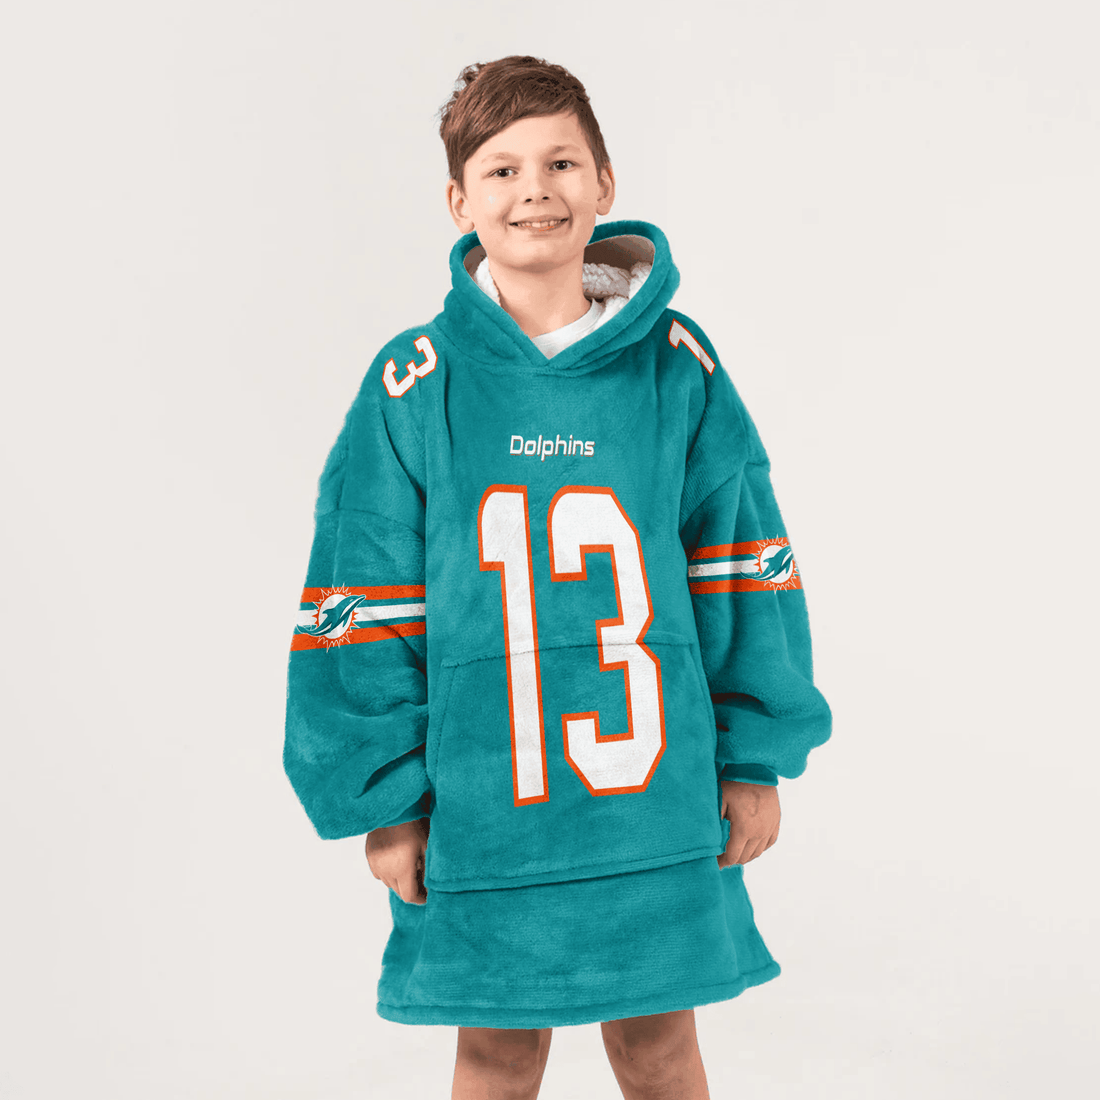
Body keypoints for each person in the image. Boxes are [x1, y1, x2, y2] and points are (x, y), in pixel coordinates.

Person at [283, 54, 832, 1100]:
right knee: (497, 1053)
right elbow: (364, 591)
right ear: (459, 202)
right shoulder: (414, 383)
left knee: (658, 1045)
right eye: (501, 170)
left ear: (605, 183)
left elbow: (739, 565)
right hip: (484, 804)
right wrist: (387, 799)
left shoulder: (676, 366)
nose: (533, 189)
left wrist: (754, 754)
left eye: (560, 162)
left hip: (651, 798)